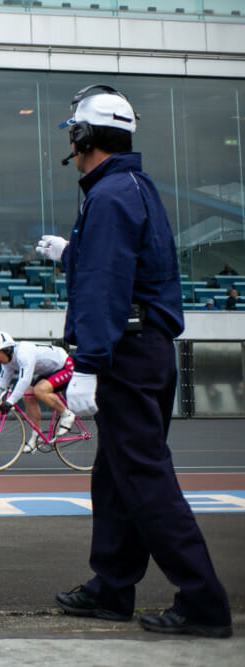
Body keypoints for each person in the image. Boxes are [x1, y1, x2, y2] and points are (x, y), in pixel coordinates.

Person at [38, 84, 231, 638]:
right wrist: (72, 252)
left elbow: (106, 286)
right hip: (148, 349)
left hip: (124, 353)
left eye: (73, 136)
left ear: (83, 136)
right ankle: (112, 588)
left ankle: (203, 602)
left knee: (145, 478)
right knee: (117, 474)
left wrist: (91, 363)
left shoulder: (107, 196)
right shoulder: (134, 188)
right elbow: (125, 267)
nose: (71, 148)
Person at [0, 331, 76, 454]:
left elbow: (24, 380)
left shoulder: (24, 353)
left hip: (65, 366)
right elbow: (3, 379)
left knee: (39, 390)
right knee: (28, 396)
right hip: (49, 371)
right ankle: (37, 435)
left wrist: (10, 401)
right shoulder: (8, 360)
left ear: (7, 349)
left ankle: (66, 414)